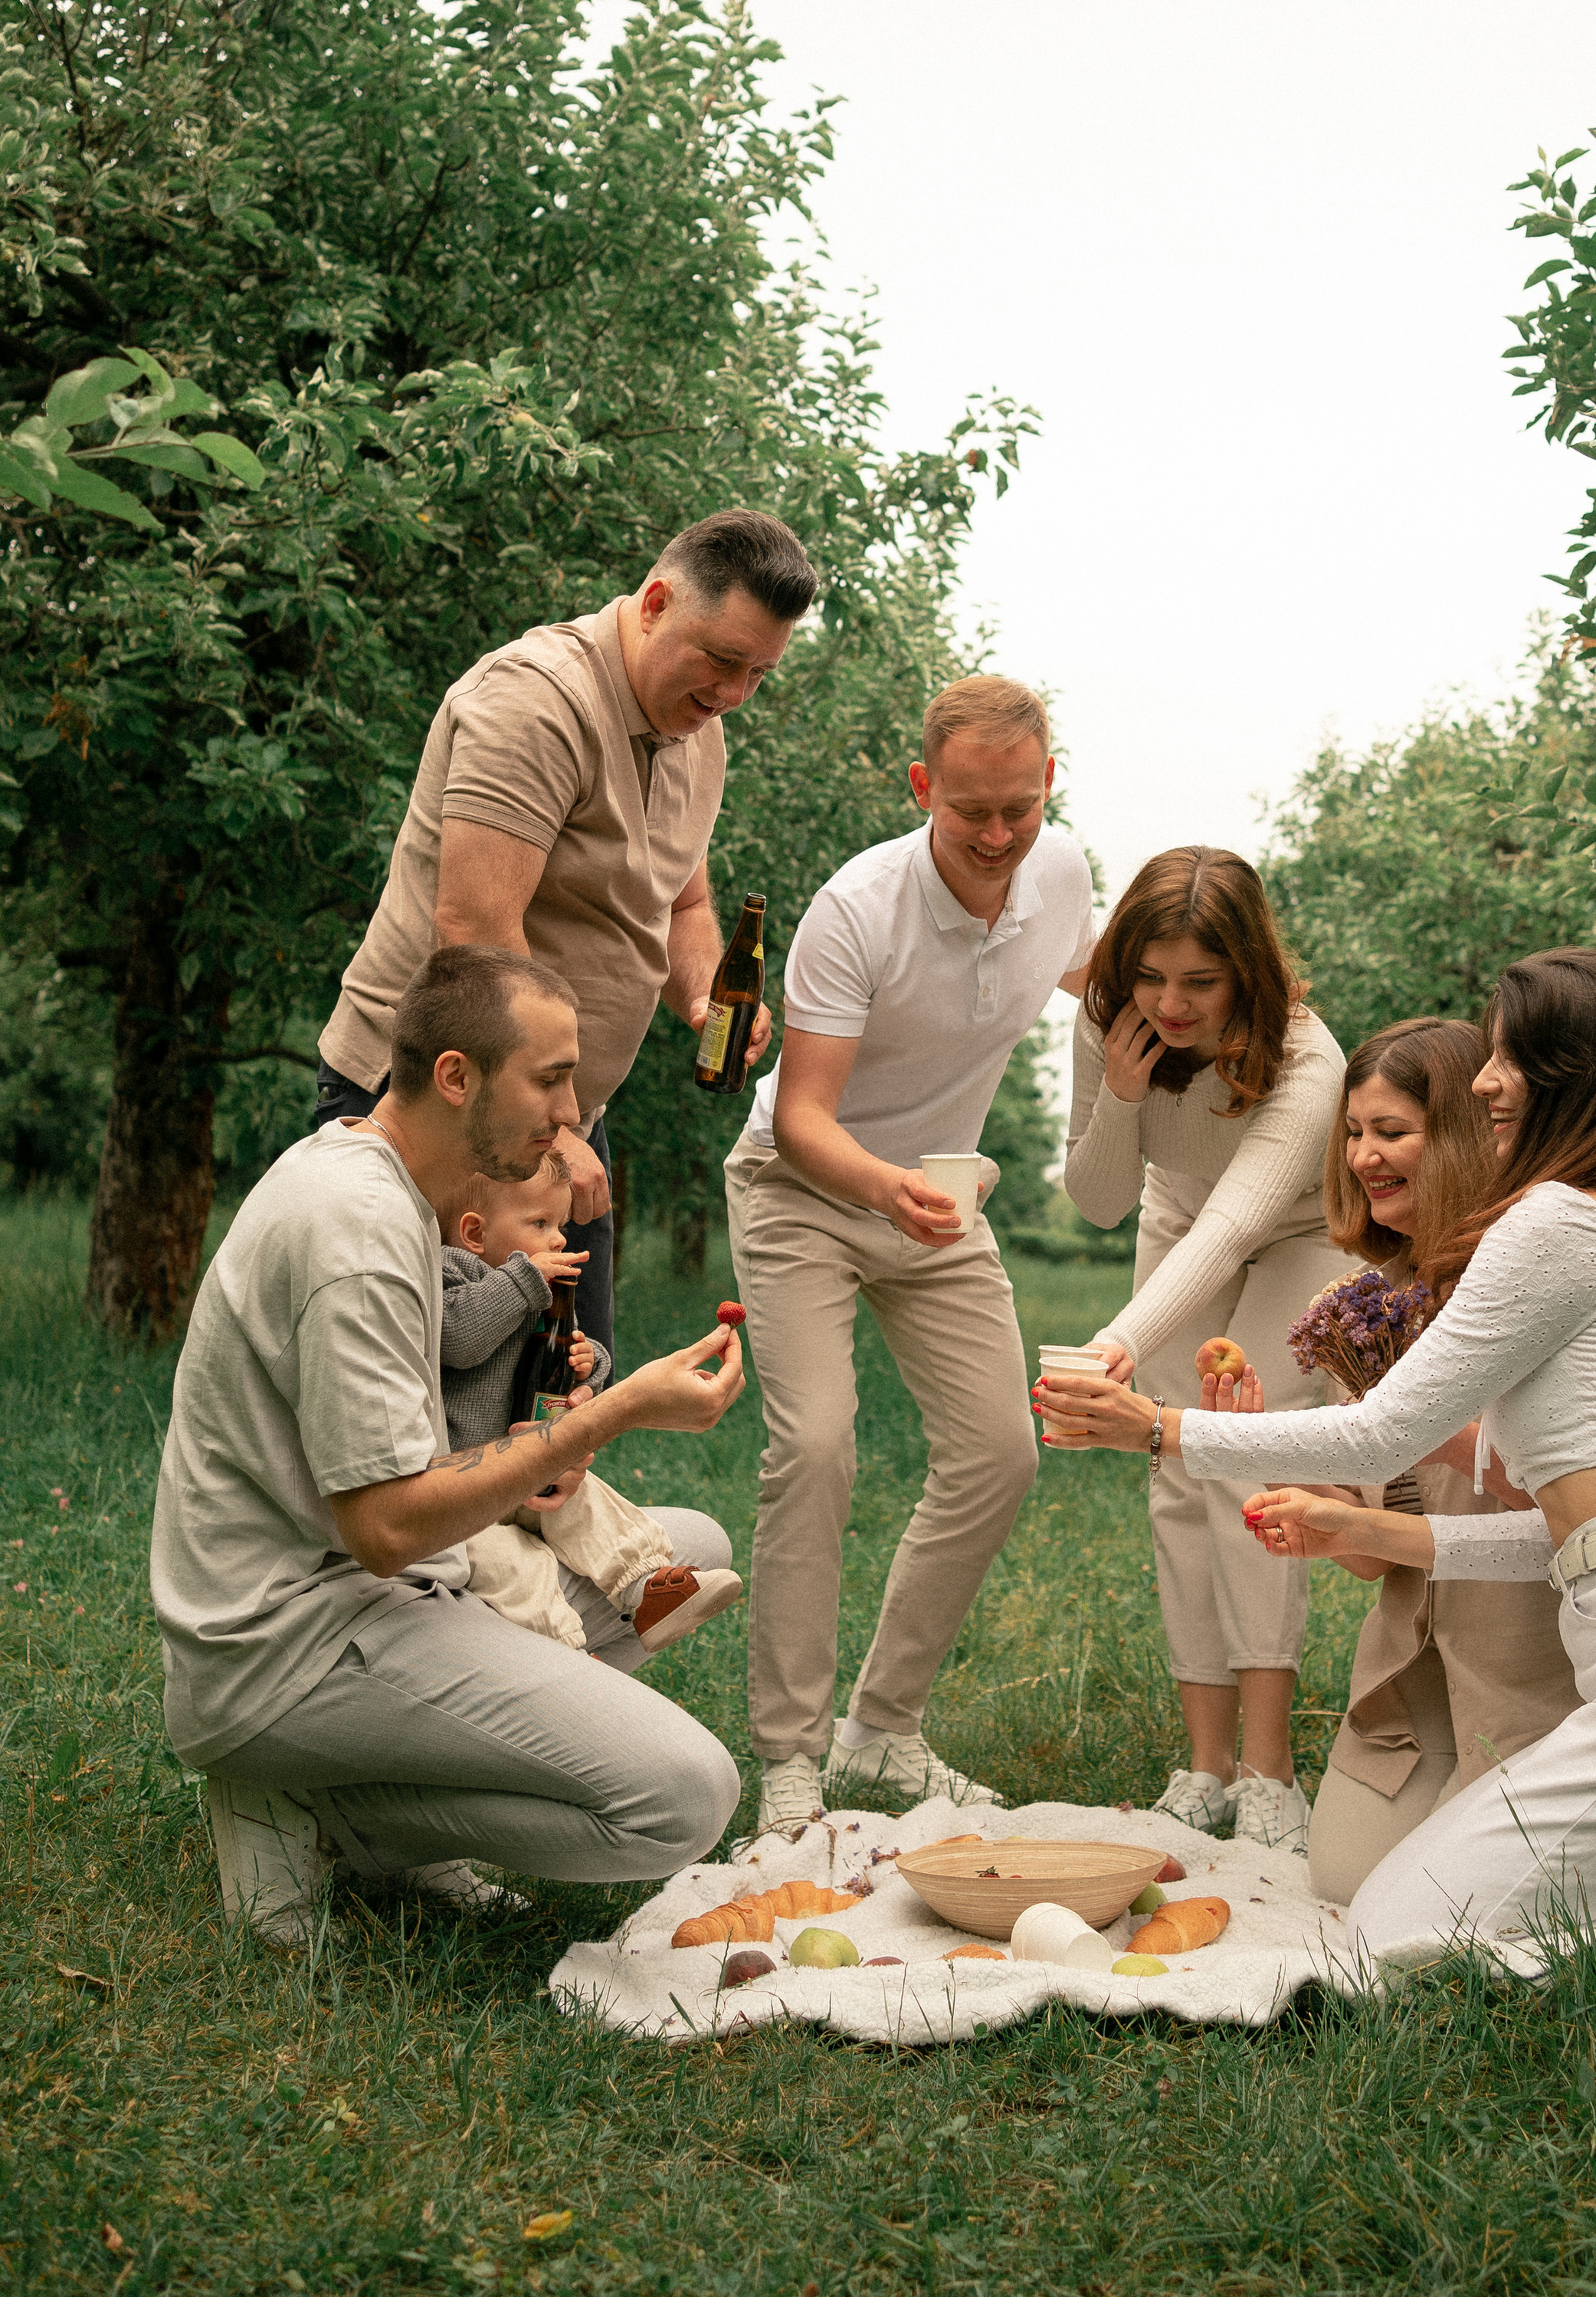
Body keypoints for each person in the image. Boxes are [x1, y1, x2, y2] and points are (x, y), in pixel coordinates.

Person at [1036, 950, 1596, 1987]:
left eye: (1511, 1057)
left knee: (1404, 1940)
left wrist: (1157, 1428)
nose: (1489, 1080)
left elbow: (1382, 1436)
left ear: (1578, 1074)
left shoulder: (1553, 1220)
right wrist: (1361, 1528)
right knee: (1416, 1911)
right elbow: (1550, 1539)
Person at [152, 945, 747, 1946]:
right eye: (550, 1079)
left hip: (384, 1588)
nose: (571, 1114)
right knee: (686, 1800)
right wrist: (610, 1414)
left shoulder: (397, 1191)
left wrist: (547, 1447)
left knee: (691, 1553)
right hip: (285, 1643)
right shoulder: (359, 1229)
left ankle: (361, 1784)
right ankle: (324, 1808)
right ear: (456, 1075)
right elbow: (385, 1525)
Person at [314, 508, 817, 1360]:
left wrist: (702, 998)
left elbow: (683, 905)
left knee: (561, 1398)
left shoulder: (700, 732)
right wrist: (555, 1127)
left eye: (759, 674)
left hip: (563, 1112)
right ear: (656, 601)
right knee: (425, 1416)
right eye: (723, 661)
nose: (733, 694)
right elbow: (475, 933)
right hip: (434, 1107)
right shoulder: (534, 701)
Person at [728, 675, 1095, 1835]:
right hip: (807, 1190)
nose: (996, 838)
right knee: (820, 1445)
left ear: (1050, 785)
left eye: (1019, 810)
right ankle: (789, 1757)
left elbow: (1117, 981)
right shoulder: (858, 909)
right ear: (923, 788)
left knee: (1000, 1454)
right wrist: (889, 1191)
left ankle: (882, 1735)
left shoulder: (1067, 874)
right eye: (970, 811)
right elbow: (803, 1118)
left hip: (935, 1195)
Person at [1057, 848, 1345, 1849]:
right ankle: (1207, 1764)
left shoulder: (1308, 1059)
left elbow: (1238, 1227)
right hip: (1178, 1220)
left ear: (1247, 977)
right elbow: (1095, 1202)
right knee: (1175, 1471)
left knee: (1242, 1447)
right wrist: (1124, 1096)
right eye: (1149, 976)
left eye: (1200, 983)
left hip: (1303, 1230)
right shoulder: (1112, 1024)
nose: (1169, 1004)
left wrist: (1114, 1347)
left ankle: (1272, 1774)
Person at [1303, 1018, 1579, 1907]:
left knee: (1471, 1909)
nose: (1363, 1158)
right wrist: (1274, 1466)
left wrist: (1411, 1423)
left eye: (1391, 1133)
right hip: (1412, 1680)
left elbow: (1566, 1496)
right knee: (1346, 1883)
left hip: (1525, 1668)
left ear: (1459, 1138)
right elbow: (1365, 1553)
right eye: (1354, 1134)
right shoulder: (1372, 1312)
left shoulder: (1530, 1283)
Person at [439, 1155, 742, 1659]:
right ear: (474, 1232)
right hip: (461, 1496)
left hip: (527, 1468)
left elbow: (560, 1359)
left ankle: (647, 1587)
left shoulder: (539, 1288)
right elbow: (458, 1340)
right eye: (540, 1224)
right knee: (516, 1566)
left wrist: (589, 1364)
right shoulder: (455, 1274)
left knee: (592, 1503)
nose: (558, 1239)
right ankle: (566, 1656)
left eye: (559, 1224)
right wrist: (522, 1281)